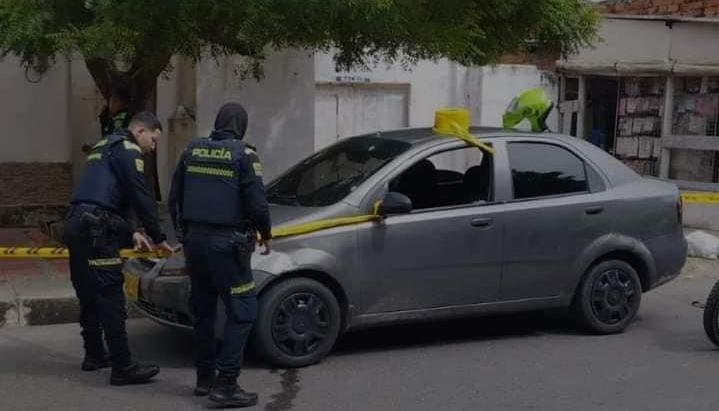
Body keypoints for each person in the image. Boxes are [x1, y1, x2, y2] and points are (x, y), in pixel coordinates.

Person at [169, 102, 272, 408]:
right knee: (243, 311)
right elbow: (257, 203)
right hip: (227, 246)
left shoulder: (191, 151)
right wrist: (265, 234)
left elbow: (175, 199)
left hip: (195, 245)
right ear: (241, 126)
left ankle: (204, 379)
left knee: (203, 310)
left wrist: (183, 237)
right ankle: (227, 384)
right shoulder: (245, 154)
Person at [64, 111, 175, 385]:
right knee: (111, 296)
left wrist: (133, 231)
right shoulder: (129, 150)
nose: (154, 147)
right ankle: (123, 367)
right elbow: (140, 195)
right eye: (153, 138)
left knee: (88, 293)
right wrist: (157, 236)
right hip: (98, 230)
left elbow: (114, 194)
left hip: (77, 223)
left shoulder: (105, 145)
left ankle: (94, 355)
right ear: (140, 132)